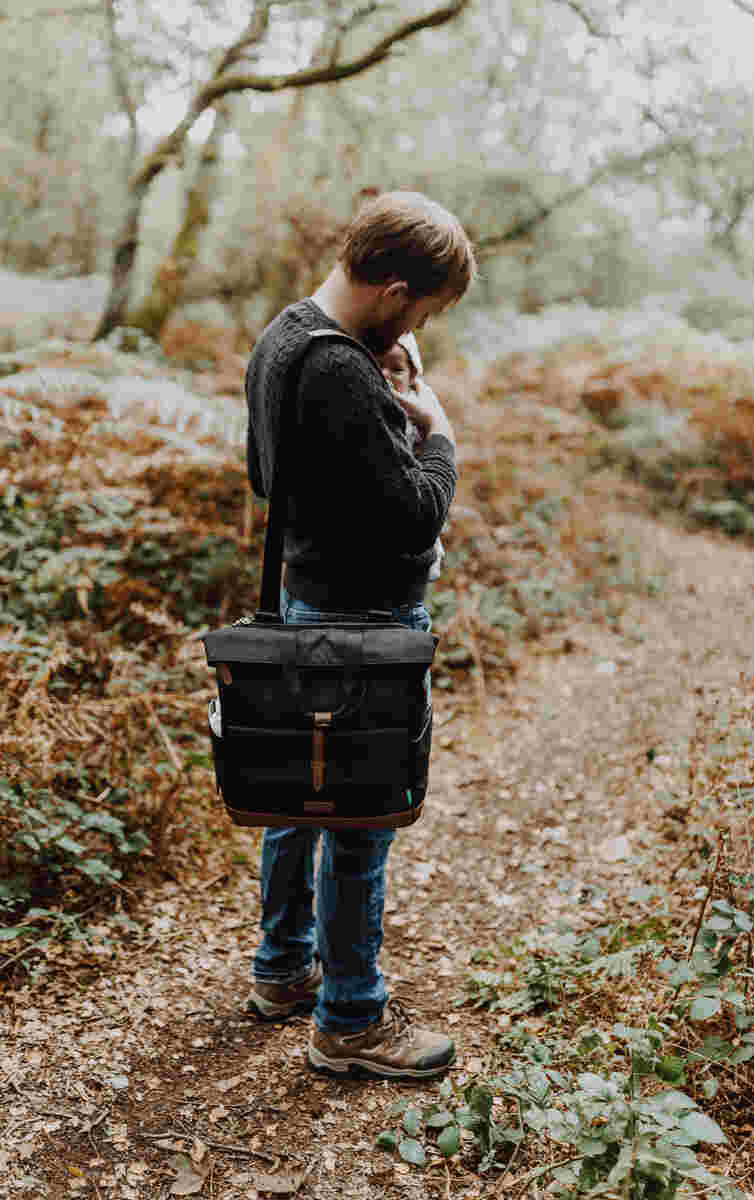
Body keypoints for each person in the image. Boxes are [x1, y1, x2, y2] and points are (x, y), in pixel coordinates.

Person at [244, 190, 476, 1079]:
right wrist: (435, 430)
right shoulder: (342, 369)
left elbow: (271, 479)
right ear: (391, 286)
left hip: (307, 605)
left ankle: (282, 970)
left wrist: (383, 417)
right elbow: (416, 516)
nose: (421, 326)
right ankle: (349, 1019)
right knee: (358, 819)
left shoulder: (284, 336)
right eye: (423, 308)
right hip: (369, 625)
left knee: (297, 798)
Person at [376, 331, 444, 582]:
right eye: (377, 365)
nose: (385, 375)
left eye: (396, 370)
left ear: (413, 377)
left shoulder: (419, 406)